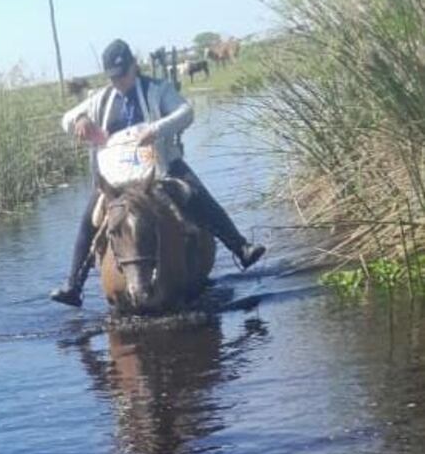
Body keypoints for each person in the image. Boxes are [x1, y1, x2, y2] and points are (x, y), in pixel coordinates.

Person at [50, 38, 266, 307]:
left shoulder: (157, 90)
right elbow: (66, 119)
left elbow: (185, 112)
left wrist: (157, 129)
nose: (119, 82)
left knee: (196, 195)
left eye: (123, 75)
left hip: (160, 168)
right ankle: (74, 283)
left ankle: (240, 247)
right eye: (113, 77)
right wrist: (80, 121)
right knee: (87, 220)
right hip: (116, 179)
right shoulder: (100, 100)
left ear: (134, 67)